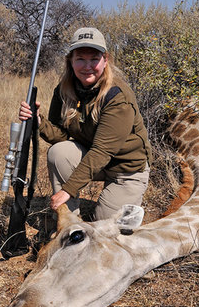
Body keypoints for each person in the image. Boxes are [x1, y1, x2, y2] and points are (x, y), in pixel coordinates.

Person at [19, 27, 153, 220]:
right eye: (80, 58)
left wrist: (68, 190)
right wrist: (38, 121)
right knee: (59, 152)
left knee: (106, 228)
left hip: (126, 169)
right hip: (95, 160)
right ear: (70, 61)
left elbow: (102, 151)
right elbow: (61, 135)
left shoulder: (117, 96)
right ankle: (68, 221)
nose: (87, 66)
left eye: (94, 59)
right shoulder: (64, 90)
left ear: (105, 60)